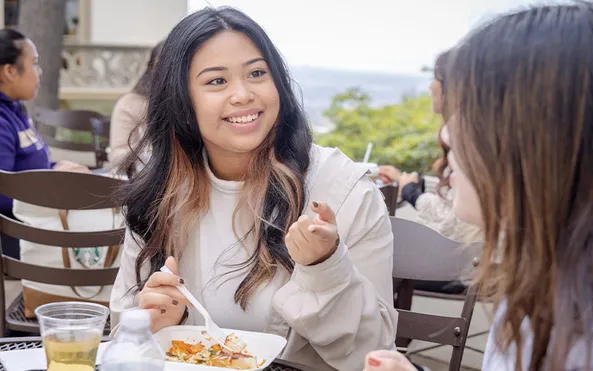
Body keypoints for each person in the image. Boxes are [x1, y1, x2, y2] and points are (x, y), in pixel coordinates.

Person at [110, 7, 397, 371]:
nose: (243, 95)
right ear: (181, 101)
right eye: (217, 81)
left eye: (257, 73)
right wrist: (154, 324)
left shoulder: (344, 191)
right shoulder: (160, 192)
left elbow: (374, 355)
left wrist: (326, 267)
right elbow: (122, 336)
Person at [364, 2, 593, 370]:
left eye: (474, 111)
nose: (446, 132)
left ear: (544, 138)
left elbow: (455, 228)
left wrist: (412, 191)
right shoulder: (548, 290)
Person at [0, 28, 89, 259]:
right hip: (18, 234)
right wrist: (54, 188)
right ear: (10, 71)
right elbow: (3, 192)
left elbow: (27, 168)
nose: (39, 72)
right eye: (34, 63)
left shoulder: (16, 110)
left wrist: (56, 168)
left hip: (38, 221)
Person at [379, 50, 480, 245]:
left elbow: (454, 222)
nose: (431, 85)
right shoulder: (476, 134)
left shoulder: (470, 139)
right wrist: (406, 180)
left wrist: (412, 193)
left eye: (436, 78)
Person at [108, 40, 163, 167]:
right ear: (154, 66)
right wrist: (147, 153)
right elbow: (117, 156)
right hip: (140, 179)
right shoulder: (131, 104)